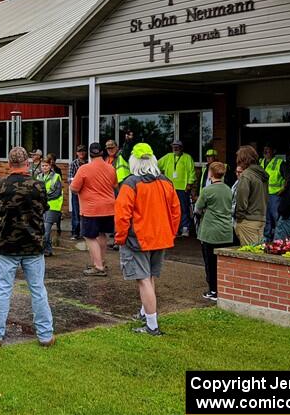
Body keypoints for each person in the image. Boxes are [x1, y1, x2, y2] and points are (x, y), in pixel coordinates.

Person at [0, 146, 54, 348]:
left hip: (6, 245)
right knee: (38, 289)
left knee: (3, 289)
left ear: (9, 164)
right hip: (33, 245)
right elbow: (43, 208)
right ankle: (45, 335)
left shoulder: (0, 185)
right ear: (28, 162)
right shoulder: (38, 186)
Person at [115, 143, 180, 336]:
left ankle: (152, 325)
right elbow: (176, 212)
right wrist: (171, 233)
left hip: (138, 240)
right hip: (160, 238)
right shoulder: (166, 182)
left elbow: (122, 216)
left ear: (133, 161)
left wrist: (120, 238)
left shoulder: (130, 183)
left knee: (143, 280)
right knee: (150, 277)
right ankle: (146, 313)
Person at [70, 142, 118, 276]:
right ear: (102, 153)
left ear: (89, 154)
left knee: (90, 236)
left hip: (91, 208)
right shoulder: (110, 168)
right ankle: (101, 261)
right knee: (102, 234)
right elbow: (115, 185)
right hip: (109, 207)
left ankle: (98, 266)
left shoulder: (84, 169)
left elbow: (74, 188)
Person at [194, 162, 234, 302]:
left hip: (210, 231)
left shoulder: (207, 190)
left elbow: (197, 209)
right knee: (222, 263)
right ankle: (224, 288)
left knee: (210, 263)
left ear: (211, 173)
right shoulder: (228, 189)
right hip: (226, 231)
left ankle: (213, 290)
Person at [157, 140, 196, 237]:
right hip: (169, 188)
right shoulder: (168, 157)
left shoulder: (187, 158)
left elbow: (192, 172)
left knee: (183, 208)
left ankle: (185, 228)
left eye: (177, 146)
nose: (175, 148)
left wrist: (189, 184)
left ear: (181, 148)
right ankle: (174, 229)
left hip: (183, 188)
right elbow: (156, 164)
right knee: (171, 209)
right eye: (174, 146)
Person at [233, 145, 269, 246]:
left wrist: (239, 217)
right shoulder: (262, 174)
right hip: (261, 218)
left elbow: (241, 199)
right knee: (258, 253)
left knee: (250, 255)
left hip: (248, 220)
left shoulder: (246, 175)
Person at [259, 144, 288, 243]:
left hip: (275, 196)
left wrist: (282, 190)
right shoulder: (261, 162)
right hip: (264, 195)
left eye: (268, 149)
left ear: (274, 151)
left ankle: (279, 240)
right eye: (264, 149)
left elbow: (288, 178)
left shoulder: (280, 163)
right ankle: (267, 239)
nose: (265, 151)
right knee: (266, 218)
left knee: (276, 218)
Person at [37, 157, 63, 257]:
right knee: (43, 228)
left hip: (53, 206)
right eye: (43, 165)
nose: (44, 167)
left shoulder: (56, 176)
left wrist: (43, 197)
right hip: (42, 206)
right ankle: (48, 250)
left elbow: (57, 193)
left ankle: (41, 250)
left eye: (46, 165)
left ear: (50, 166)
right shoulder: (39, 177)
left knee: (46, 230)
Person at [68, 145, 88, 241]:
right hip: (76, 192)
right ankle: (75, 232)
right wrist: (77, 183)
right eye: (79, 151)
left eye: (83, 151)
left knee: (86, 212)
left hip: (87, 192)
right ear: (76, 153)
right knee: (76, 212)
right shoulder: (73, 164)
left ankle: (84, 232)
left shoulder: (89, 163)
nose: (81, 153)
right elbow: (70, 179)